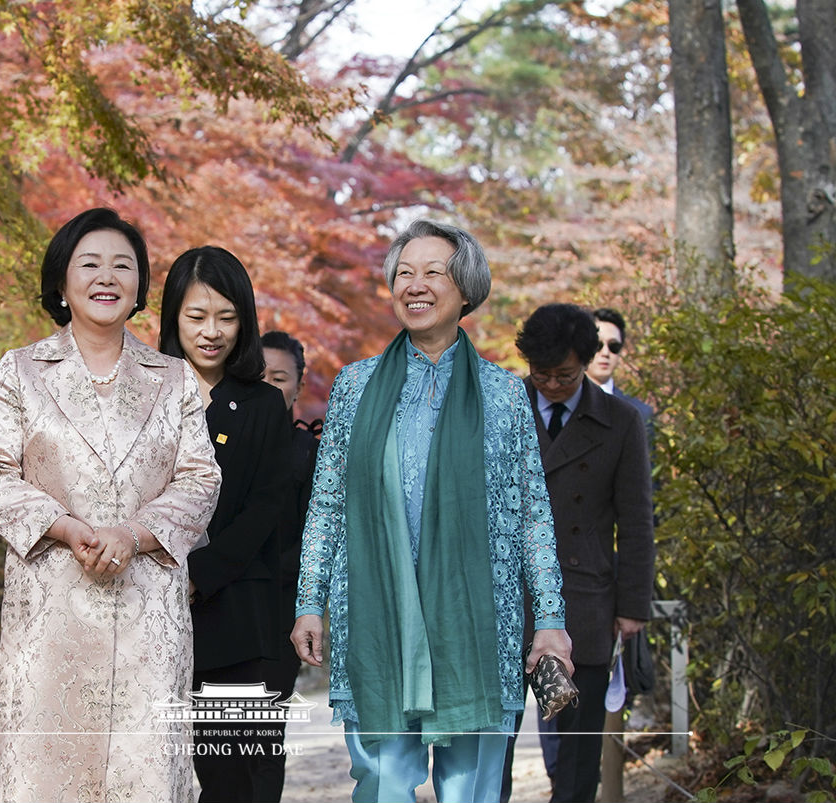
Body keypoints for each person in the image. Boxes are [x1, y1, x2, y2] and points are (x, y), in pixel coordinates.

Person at [291, 220, 572, 803]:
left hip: (475, 621)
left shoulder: (502, 394)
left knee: (471, 787)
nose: (413, 285)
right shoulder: (355, 386)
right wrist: (309, 603)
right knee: (383, 782)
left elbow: (532, 517)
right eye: (403, 273)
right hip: (376, 615)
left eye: (432, 272)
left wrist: (549, 619)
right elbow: (327, 504)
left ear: (466, 289)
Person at [0, 208, 222, 803]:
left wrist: (133, 534)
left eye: (122, 265)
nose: (106, 277)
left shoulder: (174, 378)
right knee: (49, 774)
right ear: (62, 281)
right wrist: (64, 526)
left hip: (147, 611)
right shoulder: (21, 371)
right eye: (90, 264)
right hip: (51, 609)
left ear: (138, 287)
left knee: (147, 774)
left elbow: (200, 480)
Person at [158, 246, 293, 802]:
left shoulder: (262, 404)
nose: (211, 332)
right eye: (196, 317)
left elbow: (265, 506)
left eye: (227, 317)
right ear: (172, 319)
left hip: (236, 615)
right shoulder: (144, 393)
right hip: (150, 606)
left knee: (233, 777)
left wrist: (198, 575)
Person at [514, 303, 655, 803]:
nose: (551, 385)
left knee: (576, 757)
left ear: (588, 360)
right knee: (491, 747)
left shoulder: (620, 421)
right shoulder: (504, 408)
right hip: (505, 603)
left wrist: (633, 607)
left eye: (565, 376)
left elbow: (636, 519)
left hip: (584, 604)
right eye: (541, 374)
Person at [252, 330, 321, 803]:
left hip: (280, 607)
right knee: (214, 736)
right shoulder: (211, 439)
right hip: (218, 603)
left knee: (263, 733)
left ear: (298, 385)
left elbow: (318, 533)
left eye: (280, 377)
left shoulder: (311, 451)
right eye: (260, 376)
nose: (269, 386)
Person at [586, 307, 654, 439]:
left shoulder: (640, 413)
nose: (605, 353)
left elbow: (647, 459)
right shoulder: (555, 406)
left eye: (613, 347)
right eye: (597, 345)